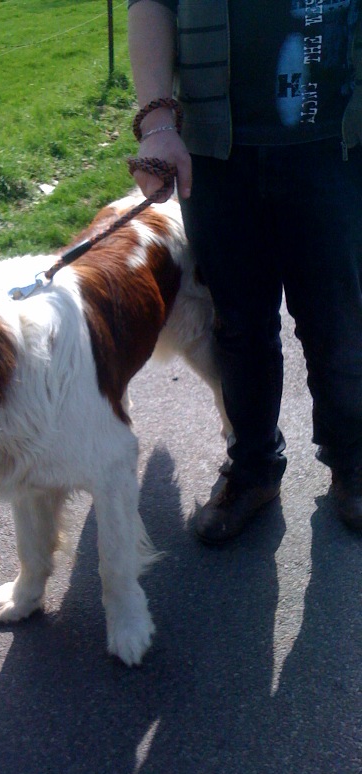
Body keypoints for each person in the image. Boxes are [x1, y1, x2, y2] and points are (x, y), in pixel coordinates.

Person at [127, 0, 362, 543]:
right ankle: (254, 468)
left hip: (339, 149)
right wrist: (158, 123)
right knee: (239, 328)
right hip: (217, 155)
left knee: (340, 324)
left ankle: (352, 462)